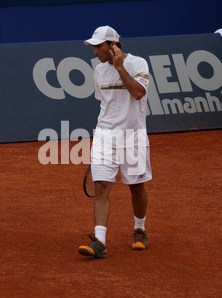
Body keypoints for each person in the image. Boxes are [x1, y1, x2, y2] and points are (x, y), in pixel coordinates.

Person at [78, 26, 152, 258]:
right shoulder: (99, 71)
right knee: (101, 186)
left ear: (112, 45)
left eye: (98, 47)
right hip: (105, 135)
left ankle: (139, 229)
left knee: (136, 186)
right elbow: (105, 103)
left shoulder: (138, 64)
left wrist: (119, 68)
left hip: (133, 136)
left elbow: (138, 93)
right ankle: (100, 241)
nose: (94, 52)